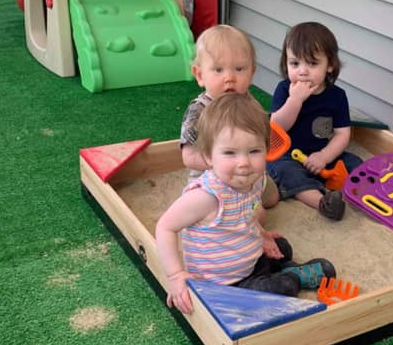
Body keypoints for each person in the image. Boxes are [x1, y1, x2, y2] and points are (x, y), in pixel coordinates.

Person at [156, 94, 335, 314]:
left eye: (254, 151)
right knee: (279, 291)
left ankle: (284, 267)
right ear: (209, 156)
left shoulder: (256, 180)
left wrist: (263, 234)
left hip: (250, 259)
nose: (244, 163)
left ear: (266, 149)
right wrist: (175, 275)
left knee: (282, 246)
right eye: (230, 153)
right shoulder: (206, 196)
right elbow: (165, 226)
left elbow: (248, 215)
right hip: (224, 284)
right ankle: (293, 276)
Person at [268, 22, 363, 220]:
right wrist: (295, 100)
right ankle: (323, 202)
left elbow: (342, 134)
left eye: (312, 63)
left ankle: (365, 192)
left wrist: (324, 156)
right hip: (287, 154)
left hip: (321, 152)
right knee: (285, 172)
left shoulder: (337, 96)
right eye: (295, 63)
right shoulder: (284, 90)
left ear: (329, 65)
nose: (302, 71)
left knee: (355, 163)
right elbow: (276, 128)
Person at [179, 23, 278, 209]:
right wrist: (224, 166)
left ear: (252, 73)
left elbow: (262, 137)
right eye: (218, 70)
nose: (229, 77)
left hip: (247, 173)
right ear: (199, 75)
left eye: (239, 69)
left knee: (272, 198)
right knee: (209, 212)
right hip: (210, 178)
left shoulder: (250, 104)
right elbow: (189, 157)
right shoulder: (198, 111)